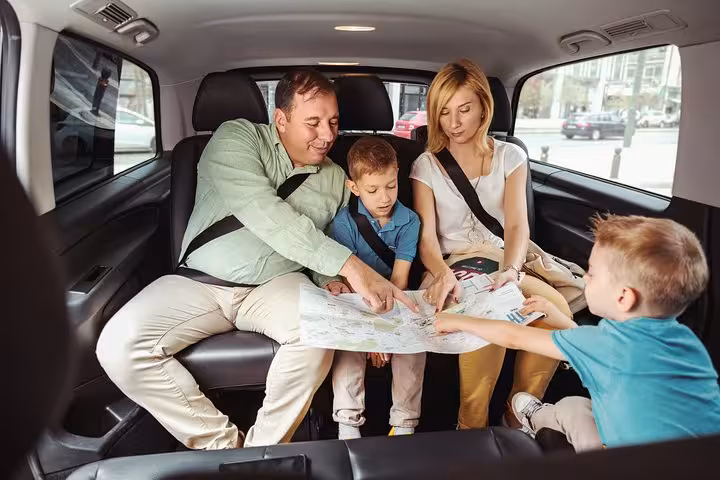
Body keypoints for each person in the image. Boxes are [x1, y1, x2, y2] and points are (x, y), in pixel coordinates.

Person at [96, 69, 416, 450]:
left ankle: (261, 453)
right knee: (117, 345)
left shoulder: (334, 176)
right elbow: (262, 210)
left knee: (317, 336)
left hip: (278, 285)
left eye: (333, 122)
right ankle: (226, 449)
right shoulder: (236, 137)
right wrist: (351, 266)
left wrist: (328, 280)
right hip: (201, 280)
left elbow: (320, 239)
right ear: (281, 119)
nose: (328, 135)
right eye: (312, 122)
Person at [436, 214, 720, 451]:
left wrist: (459, 321)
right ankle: (534, 418)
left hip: (629, 468)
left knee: (572, 411)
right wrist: (560, 318)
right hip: (698, 462)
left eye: (592, 273)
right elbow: (595, 349)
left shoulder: (605, 345)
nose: (585, 277)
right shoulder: (688, 344)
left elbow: (514, 336)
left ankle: (536, 423)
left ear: (624, 298)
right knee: (575, 407)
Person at [410, 58, 572, 429]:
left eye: (464, 109)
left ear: (484, 106)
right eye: (445, 112)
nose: (454, 122)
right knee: (483, 314)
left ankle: (520, 416)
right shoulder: (426, 164)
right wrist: (441, 275)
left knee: (552, 308)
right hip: (452, 263)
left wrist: (512, 272)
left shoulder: (510, 156)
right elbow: (427, 241)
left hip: (503, 258)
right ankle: (471, 426)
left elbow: (517, 225)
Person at [326, 137, 424, 440]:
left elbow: (400, 281)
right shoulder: (344, 223)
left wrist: (386, 332)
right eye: (373, 190)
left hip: (393, 299)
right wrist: (371, 338)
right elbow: (349, 281)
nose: (384, 197)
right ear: (354, 187)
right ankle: (348, 423)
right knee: (349, 343)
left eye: (391, 186)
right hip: (357, 299)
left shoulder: (409, 221)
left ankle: (405, 424)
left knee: (412, 339)